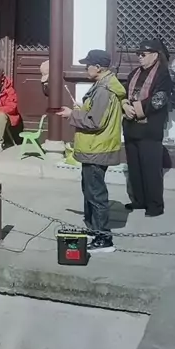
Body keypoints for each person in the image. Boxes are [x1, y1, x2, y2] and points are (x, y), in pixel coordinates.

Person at [57, 49, 126, 254]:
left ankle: (104, 238)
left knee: (96, 194)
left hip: (97, 148)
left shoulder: (104, 89)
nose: (86, 68)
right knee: (89, 190)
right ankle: (93, 229)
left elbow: (95, 121)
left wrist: (72, 114)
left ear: (98, 67)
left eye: (88, 65)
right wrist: (82, 109)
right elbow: (97, 113)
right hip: (94, 147)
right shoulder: (103, 85)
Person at [123, 38, 172, 218]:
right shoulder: (134, 73)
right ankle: (139, 200)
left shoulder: (163, 75)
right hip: (131, 127)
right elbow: (124, 92)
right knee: (134, 168)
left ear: (155, 55)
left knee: (151, 169)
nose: (140, 57)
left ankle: (155, 205)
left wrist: (135, 109)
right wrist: (125, 106)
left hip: (150, 129)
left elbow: (158, 100)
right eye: (138, 54)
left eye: (143, 54)